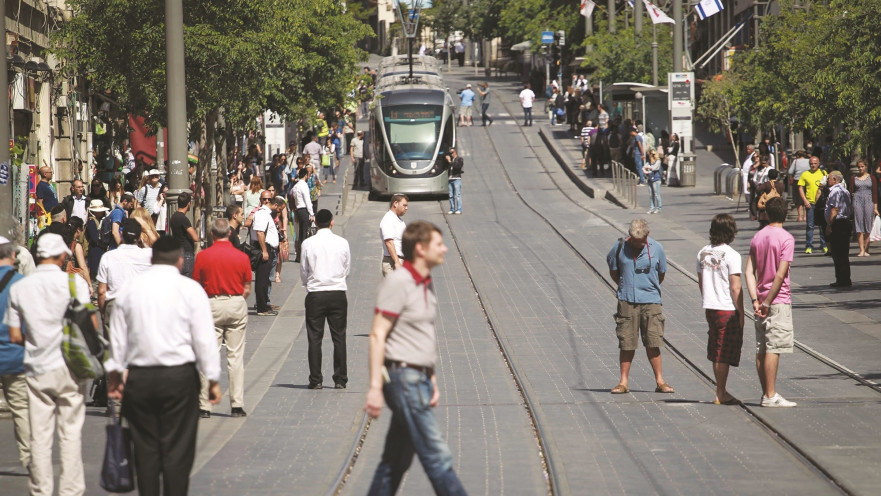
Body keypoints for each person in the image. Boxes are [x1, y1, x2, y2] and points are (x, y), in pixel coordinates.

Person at [106, 237, 222, 495]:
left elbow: (117, 336)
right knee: (178, 450)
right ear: (180, 260)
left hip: (141, 379)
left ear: (152, 258)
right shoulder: (191, 290)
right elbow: (204, 339)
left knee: (145, 450)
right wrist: (212, 378)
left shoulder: (130, 289)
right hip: (179, 379)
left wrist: (115, 375)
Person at [364, 221, 467, 496]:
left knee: (394, 462)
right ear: (421, 249)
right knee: (437, 457)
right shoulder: (399, 282)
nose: (445, 248)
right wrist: (375, 388)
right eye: (438, 244)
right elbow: (377, 334)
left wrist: (431, 377)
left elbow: (422, 333)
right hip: (403, 379)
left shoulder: (425, 283)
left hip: (417, 378)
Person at [7, 233, 91, 495]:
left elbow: (15, 335)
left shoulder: (20, 287)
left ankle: (41, 490)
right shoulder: (75, 283)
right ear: (62, 255)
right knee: (70, 433)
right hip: (70, 368)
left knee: (40, 436)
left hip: (36, 368)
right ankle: (70, 490)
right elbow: (90, 325)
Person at [605, 219, 673, 394]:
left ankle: (660, 381)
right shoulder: (619, 246)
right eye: (634, 240)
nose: (637, 244)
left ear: (647, 235)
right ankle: (623, 382)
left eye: (641, 241)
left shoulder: (657, 248)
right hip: (627, 300)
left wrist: (649, 287)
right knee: (626, 342)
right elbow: (613, 269)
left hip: (651, 300)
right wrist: (624, 285)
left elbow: (661, 273)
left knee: (653, 341)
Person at [194, 219, 252, 418]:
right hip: (236, 303)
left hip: (211, 305)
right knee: (235, 357)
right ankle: (237, 405)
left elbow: (197, 285)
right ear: (229, 233)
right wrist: (236, 299)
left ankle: (205, 406)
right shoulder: (241, 256)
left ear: (212, 234)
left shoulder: (203, 256)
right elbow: (247, 287)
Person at [744, 197, 797, 407]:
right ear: (785, 214)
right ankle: (770, 395)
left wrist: (755, 300)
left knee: (762, 347)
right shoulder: (786, 239)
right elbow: (780, 274)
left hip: (760, 301)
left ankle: (766, 392)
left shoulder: (758, 236)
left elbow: (748, 271)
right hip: (777, 300)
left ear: (766, 213)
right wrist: (766, 303)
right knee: (773, 347)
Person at [300, 209, 350, 390]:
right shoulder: (342, 242)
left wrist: (309, 284)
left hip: (316, 294)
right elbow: (347, 268)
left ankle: (316, 380)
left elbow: (303, 270)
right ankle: (340, 379)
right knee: (339, 336)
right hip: (337, 293)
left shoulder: (307, 243)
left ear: (316, 223)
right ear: (332, 222)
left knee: (314, 337)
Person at [697, 215, 744, 405]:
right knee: (724, 350)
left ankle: (720, 390)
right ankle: (720, 393)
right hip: (727, 308)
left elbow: (701, 282)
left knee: (717, 348)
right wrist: (741, 312)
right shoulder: (732, 255)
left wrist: (708, 297)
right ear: (731, 232)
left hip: (710, 307)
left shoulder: (702, 253)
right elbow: (736, 287)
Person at [97, 219, 153, 338]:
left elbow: (102, 291)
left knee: (113, 348)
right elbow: (161, 247)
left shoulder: (108, 257)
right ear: (139, 238)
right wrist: (147, 228)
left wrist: (103, 313)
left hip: (115, 305)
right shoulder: (148, 255)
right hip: (139, 305)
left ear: (122, 234)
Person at [0, 237, 29, 472]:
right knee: (21, 410)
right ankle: (30, 458)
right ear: (11, 255)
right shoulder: (21, 284)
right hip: (14, 356)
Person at [252, 190, 281, 316]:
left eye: (269, 199)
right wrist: (264, 251)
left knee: (265, 279)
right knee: (262, 280)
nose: (267, 201)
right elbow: (260, 233)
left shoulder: (268, 213)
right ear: (260, 199)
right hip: (264, 248)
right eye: (264, 199)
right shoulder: (262, 214)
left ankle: (264, 305)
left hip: (269, 248)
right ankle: (262, 308)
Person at [825, 171, 853, 288]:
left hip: (838, 224)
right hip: (845, 222)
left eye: (829, 178)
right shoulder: (845, 191)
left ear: (835, 180)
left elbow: (834, 209)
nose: (827, 181)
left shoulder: (835, 192)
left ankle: (842, 280)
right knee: (843, 253)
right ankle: (844, 278)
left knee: (838, 253)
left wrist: (829, 225)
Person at [797, 156, 828, 254]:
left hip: (822, 204)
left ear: (819, 163)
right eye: (811, 163)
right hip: (810, 203)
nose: (813, 165)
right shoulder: (805, 174)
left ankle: (824, 245)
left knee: (823, 225)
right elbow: (800, 188)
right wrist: (805, 201)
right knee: (810, 225)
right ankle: (809, 246)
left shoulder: (824, 173)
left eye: (815, 163)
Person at [848, 158, 878, 257]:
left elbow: (875, 193)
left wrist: (875, 207)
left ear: (866, 167)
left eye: (862, 166)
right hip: (857, 201)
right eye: (859, 167)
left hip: (869, 201)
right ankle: (861, 249)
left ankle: (866, 248)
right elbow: (851, 191)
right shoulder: (854, 178)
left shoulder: (872, 177)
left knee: (868, 225)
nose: (860, 168)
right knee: (859, 225)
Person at [169, 191, 200, 277]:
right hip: (186, 253)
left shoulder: (173, 217)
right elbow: (195, 238)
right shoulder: (183, 219)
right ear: (189, 204)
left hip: (177, 252)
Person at [380, 194, 408, 277]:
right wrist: (397, 262)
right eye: (404, 205)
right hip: (393, 262)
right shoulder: (388, 220)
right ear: (395, 204)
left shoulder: (397, 219)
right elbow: (389, 242)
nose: (406, 208)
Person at [292, 167, 315, 263]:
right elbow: (307, 200)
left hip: (298, 209)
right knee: (305, 233)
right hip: (304, 209)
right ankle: (304, 255)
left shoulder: (296, 186)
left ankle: (300, 254)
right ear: (305, 175)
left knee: (301, 233)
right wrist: (312, 213)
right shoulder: (304, 185)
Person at [85, 199, 110, 278]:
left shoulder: (98, 220)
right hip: (95, 251)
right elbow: (95, 238)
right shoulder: (91, 221)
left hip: (99, 250)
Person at [788, 150, 811, 221]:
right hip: (807, 180)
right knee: (805, 197)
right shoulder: (809, 161)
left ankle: (799, 216)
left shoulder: (795, 161)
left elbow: (790, 171)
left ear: (797, 155)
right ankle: (805, 216)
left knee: (798, 198)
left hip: (797, 180)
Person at [644, 149, 663, 214]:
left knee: (656, 194)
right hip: (650, 179)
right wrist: (646, 170)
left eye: (650, 154)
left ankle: (659, 208)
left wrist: (647, 168)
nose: (649, 156)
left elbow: (655, 168)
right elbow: (643, 167)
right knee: (651, 194)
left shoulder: (658, 161)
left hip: (656, 179)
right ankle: (652, 208)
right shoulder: (649, 161)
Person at [446, 147, 463, 215]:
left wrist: (450, 161)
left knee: (457, 195)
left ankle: (459, 209)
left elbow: (458, 167)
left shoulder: (459, 159)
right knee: (451, 195)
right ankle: (452, 209)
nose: (451, 154)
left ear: (455, 152)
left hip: (456, 178)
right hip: (450, 178)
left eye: (452, 152)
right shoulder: (450, 160)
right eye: (450, 153)